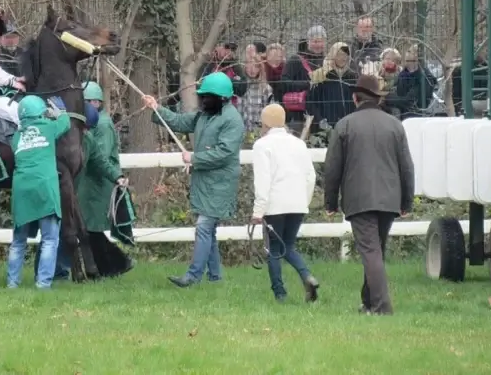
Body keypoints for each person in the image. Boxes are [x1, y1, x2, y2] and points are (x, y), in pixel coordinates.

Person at [142, 72, 245, 287]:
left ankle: (193, 275)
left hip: (220, 183)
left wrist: (195, 158)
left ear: (222, 98)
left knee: (204, 227)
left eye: (208, 97)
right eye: (203, 96)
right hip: (205, 182)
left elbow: (224, 153)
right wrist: (157, 108)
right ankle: (215, 277)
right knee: (209, 232)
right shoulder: (204, 115)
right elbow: (179, 121)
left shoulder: (232, 120)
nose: (204, 100)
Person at [323, 75, 415, 315]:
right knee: (376, 250)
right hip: (390, 198)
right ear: (378, 99)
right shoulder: (395, 125)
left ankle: (382, 307)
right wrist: (406, 201)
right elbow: (407, 166)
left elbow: (332, 168)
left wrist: (330, 202)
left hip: (359, 199)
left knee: (371, 251)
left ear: (355, 98)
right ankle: (368, 302)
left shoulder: (345, 125)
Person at [251, 104, 319, 302]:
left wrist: (258, 211)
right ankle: (306, 276)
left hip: (274, 205)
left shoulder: (262, 145)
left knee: (274, 249)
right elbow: (310, 176)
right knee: (287, 246)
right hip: (297, 203)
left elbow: (263, 180)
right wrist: (303, 201)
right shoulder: (298, 144)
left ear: (265, 123)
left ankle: (280, 293)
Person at [8, 95, 71, 289]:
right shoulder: (49, 128)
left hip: (21, 190)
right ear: (40, 113)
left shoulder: (16, 138)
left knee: (18, 242)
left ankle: (12, 283)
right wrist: (60, 109)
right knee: (50, 240)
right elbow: (65, 122)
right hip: (44, 189)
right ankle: (43, 284)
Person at [77, 92, 132, 276]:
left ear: (97, 102)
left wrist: (117, 176)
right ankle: (112, 265)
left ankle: (116, 264)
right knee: (87, 228)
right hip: (89, 183)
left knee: (90, 229)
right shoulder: (91, 125)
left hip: (98, 184)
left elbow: (101, 157)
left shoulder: (103, 124)